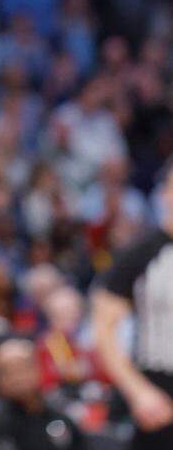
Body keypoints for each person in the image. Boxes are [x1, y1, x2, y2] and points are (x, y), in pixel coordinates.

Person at [92, 161, 173, 446]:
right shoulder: (140, 255)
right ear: (164, 194)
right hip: (160, 390)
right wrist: (137, 390)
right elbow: (103, 329)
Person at [0, 336, 87, 450]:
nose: (17, 377)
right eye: (7, 372)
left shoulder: (62, 413)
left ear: (38, 368)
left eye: (23, 367)